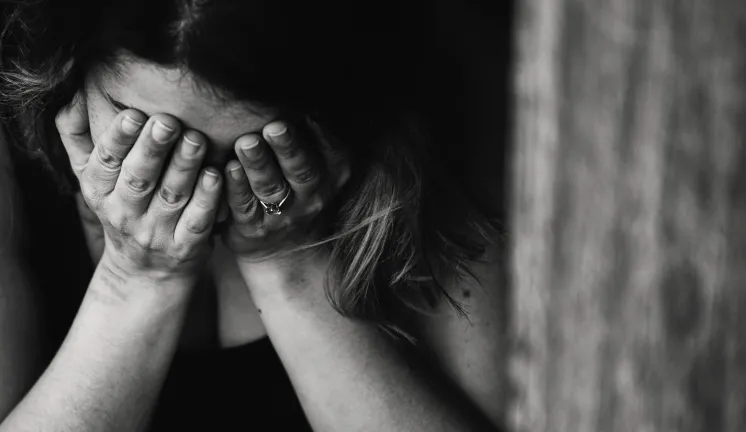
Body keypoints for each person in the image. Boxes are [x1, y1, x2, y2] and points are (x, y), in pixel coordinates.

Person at [0, 0, 506, 430]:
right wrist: (133, 280)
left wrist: (288, 263)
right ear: (69, 68)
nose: (196, 185)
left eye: (251, 151)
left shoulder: (438, 144)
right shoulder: (10, 164)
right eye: (148, 135)